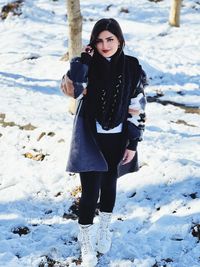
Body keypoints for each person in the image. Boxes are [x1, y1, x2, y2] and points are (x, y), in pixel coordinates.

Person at [61, 18, 147, 267]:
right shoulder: (86, 66)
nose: (105, 45)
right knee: (90, 192)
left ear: (119, 40)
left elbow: (137, 106)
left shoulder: (132, 67)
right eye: (99, 40)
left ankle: (104, 229)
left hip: (118, 138)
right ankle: (86, 242)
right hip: (90, 138)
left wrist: (133, 143)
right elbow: (71, 89)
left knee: (109, 184)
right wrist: (82, 61)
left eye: (110, 39)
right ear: (93, 43)